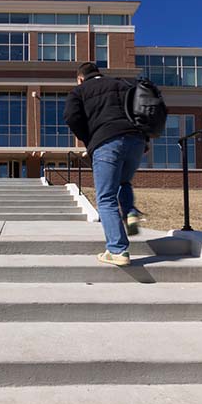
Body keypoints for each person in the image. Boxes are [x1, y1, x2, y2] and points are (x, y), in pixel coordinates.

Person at [64, 62, 145, 266]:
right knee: (123, 182)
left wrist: (90, 140)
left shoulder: (79, 91)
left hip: (106, 141)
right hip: (136, 140)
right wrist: (145, 140)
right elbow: (141, 110)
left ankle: (117, 250)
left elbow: (71, 117)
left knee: (106, 197)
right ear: (99, 73)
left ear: (80, 78)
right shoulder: (122, 84)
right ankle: (131, 212)